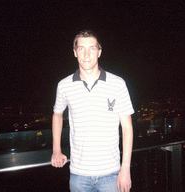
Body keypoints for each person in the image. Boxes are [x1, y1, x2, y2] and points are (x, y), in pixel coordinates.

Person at [51, 30, 134, 192]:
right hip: (78, 175)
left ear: (99, 52)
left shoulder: (117, 84)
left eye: (92, 48)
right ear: (75, 52)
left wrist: (125, 169)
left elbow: (127, 128)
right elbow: (57, 114)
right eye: (81, 48)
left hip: (112, 173)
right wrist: (56, 150)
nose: (87, 54)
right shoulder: (64, 85)